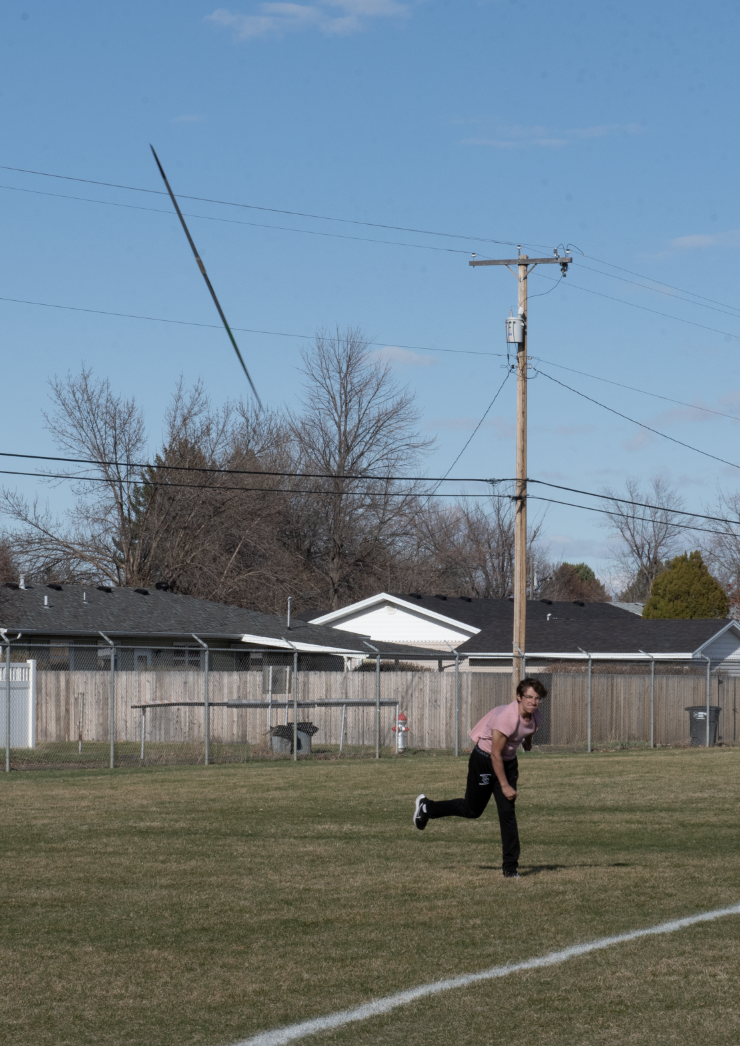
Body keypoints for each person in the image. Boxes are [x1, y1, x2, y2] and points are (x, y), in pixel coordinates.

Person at [413, 677, 548, 879]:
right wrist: (504, 785)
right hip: (485, 759)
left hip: (508, 763)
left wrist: (527, 744)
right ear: (519, 697)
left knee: (507, 813)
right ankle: (426, 807)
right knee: (472, 810)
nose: (533, 702)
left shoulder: (535, 716)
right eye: (529, 697)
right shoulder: (506, 718)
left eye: (537, 698)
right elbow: (495, 755)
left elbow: (527, 730)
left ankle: (510, 869)